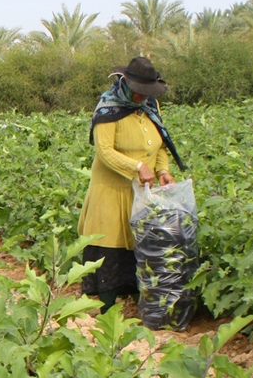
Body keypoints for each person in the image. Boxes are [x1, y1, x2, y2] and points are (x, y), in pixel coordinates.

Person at [78, 56, 185, 314]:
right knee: (111, 248)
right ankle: (107, 311)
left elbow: (159, 144)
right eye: (139, 92)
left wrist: (162, 170)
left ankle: (142, 307)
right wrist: (137, 167)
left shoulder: (150, 106)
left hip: (142, 192)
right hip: (111, 191)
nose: (142, 97)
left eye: (147, 92)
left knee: (142, 247)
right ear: (126, 84)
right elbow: (104, 151)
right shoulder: (108, 109)